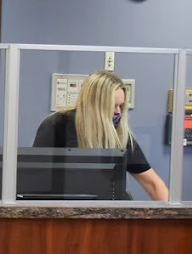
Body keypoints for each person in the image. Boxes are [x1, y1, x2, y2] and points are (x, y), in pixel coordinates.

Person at [32, 69, 168, 201]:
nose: (118, 112)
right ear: (94, 105)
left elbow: (153, 184)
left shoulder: (119, 134)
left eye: (121, 106)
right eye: (112, 106)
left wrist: (171, 216)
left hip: (108, 214)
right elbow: (35, 182)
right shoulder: (57, 125)